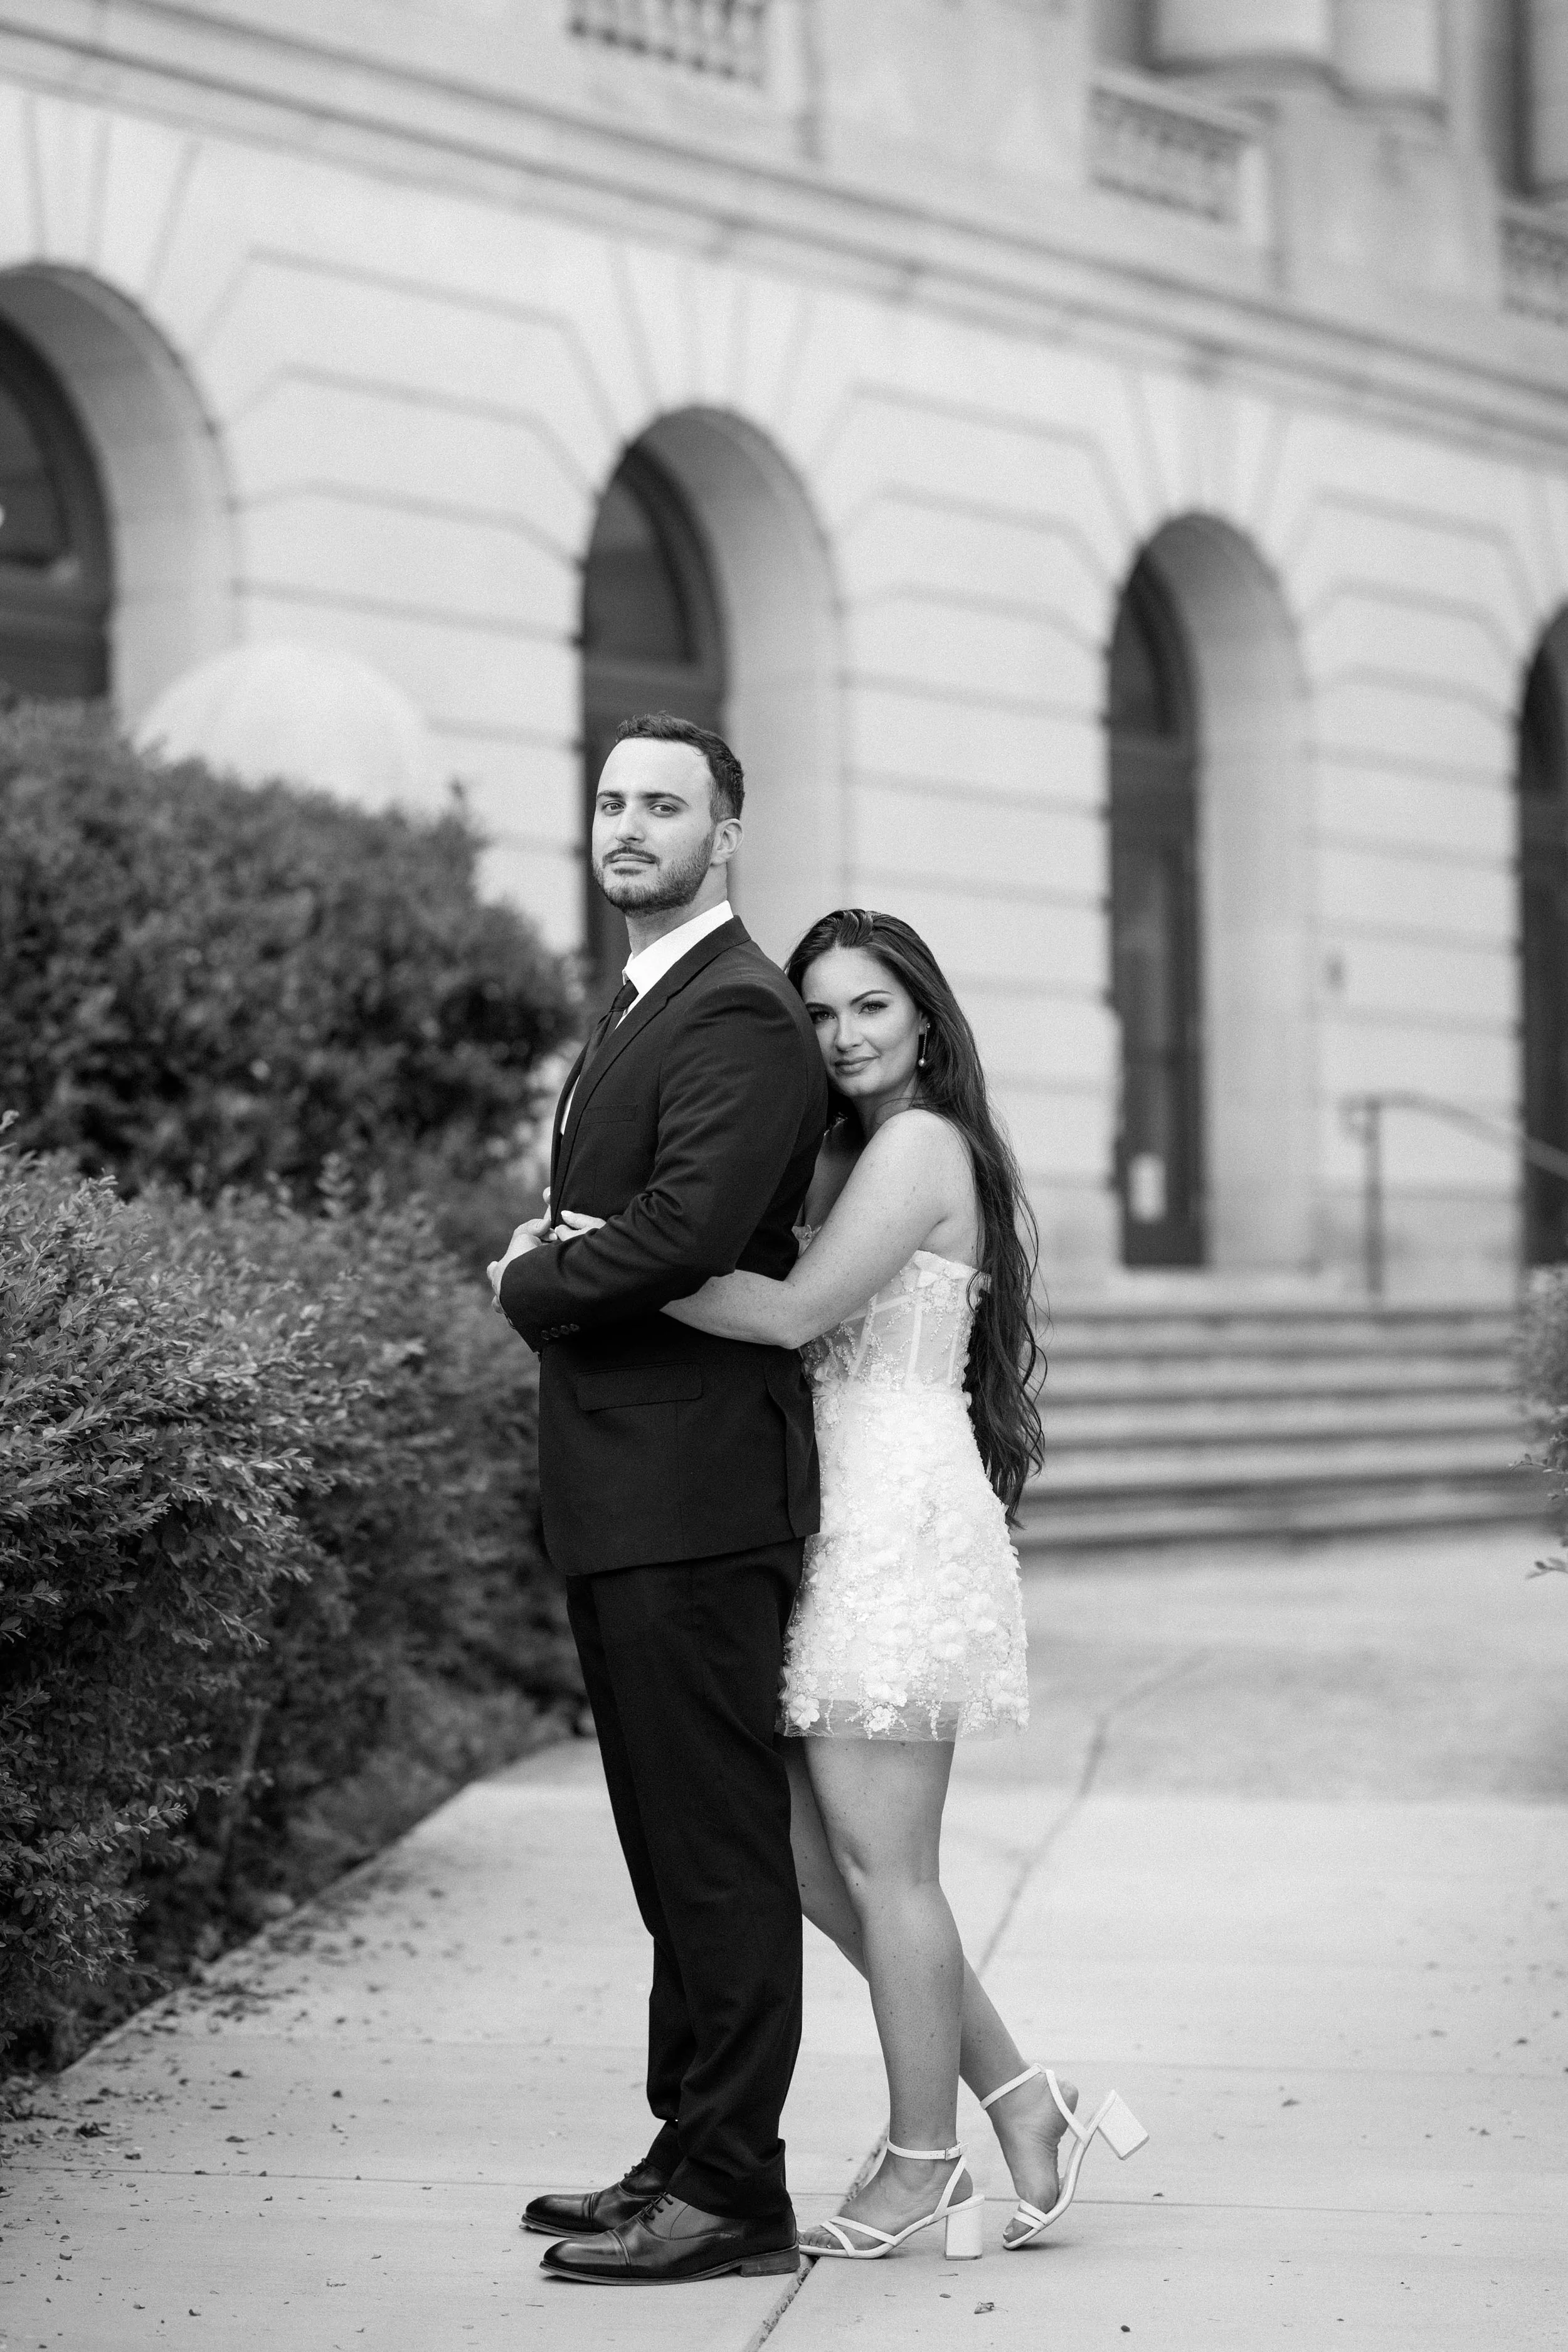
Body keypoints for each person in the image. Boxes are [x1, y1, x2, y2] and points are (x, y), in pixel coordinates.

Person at [559, 907, 1148, 2261]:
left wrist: (586, 1267)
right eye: (819, 1012)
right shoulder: (842, 1147)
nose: (842, 1036)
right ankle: (1024, 2102)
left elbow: (786, 1313)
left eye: (870, 1007)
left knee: (887, 1870)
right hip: (820, 1517)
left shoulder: (922, 1146)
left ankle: (922, 2159)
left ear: (924, 1020)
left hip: (893, 1522)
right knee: (813, 1866)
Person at [489, 711, 828, 2286]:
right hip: (630, 1489)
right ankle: (680, 2153)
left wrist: (532, 1281)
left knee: (715, 1852)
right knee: (662, 1849)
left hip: (695, 1496)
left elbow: (685, 1230)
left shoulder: (739, 1010)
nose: (629, 826)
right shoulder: (642, 995)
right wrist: (568, 1243)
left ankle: (736, 2193)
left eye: (664, 805)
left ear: (725, 833)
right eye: (613, 801)